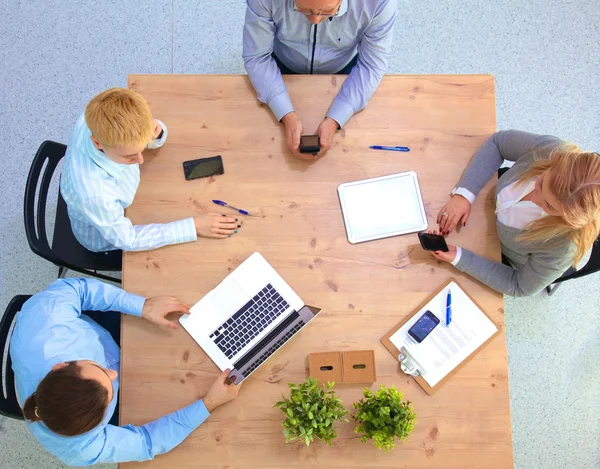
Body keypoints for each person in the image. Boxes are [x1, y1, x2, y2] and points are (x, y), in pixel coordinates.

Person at [10, 278, 241, 465]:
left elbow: (77, 288)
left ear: (60, 366)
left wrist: (142, 306)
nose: (114, 374)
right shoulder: (81, 448)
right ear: (97, 424)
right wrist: (209, 403)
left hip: (101, 331)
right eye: (109, 394)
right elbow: (147, 443)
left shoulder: (46, 322)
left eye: (98, 368)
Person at [60, 88, 241, 267]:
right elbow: (128, 240)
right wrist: (193, 226)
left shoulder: (97, 114)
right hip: (105, 239)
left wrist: (157, 133)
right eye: (129, 156)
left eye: (143, 147)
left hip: (118, 205)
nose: (140, 160)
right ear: (97, 143)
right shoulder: (96, 194)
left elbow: (147, 131)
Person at [430, 130, 600, 297]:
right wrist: (465, 194)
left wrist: (460, 258)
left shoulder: (563, 247)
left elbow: (519, 285)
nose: (533, 197)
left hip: (499, 252)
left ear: (568, 219)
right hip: (485, 209)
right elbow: (498, 143)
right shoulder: (552, 149)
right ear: (557, 160)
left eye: (548, 205)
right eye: (541, 183)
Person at [243, 0, 397, 160]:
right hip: (281, 64)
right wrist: (286, 115)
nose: (315, 20)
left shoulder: (379, 3)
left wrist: (336, 119)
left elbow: (371, 65)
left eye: (328, 11)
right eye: (303, 9)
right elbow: (257, 57)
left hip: (343, 70)